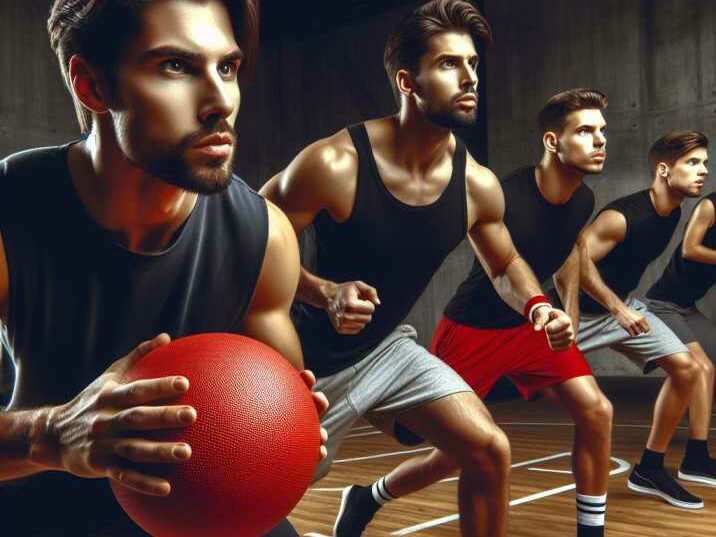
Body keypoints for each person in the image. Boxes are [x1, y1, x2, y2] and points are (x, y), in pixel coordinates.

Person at [0, 1, 326, 535]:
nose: (220, 100)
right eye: (175, 66)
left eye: (228, 67)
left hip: (193, 508)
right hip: (39, 500)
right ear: (92, 86)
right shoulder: (11, 210)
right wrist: (52, 435)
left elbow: (302, 451)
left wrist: (289, 434)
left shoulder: (265, 236)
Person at [262, 1, 575, 535]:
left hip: (387, 348)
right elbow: (251, 244)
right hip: (300, 363)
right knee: (269, 489)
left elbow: (505, 263)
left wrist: (539, 306)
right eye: (449, 64)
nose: (469, 76)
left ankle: (366, 499)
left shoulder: (476, 184)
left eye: (472, 63)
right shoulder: (335, 163)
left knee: (486, 447)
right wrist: (323, 293)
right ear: (409, 81)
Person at [340, 88, 613, 537]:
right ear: (552, 141)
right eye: (585, 131)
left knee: (597, 411)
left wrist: (568, 311)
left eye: (602, 130)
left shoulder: (582, 200)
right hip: (473, 328)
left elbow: (566, 254)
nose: (601, 139)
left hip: (531, 325)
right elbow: (502, 265)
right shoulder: (502, 196)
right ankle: (368, 496)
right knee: (456, 453)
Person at [578, 131, 711, 509]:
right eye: (693, 163)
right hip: (576, 314)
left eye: (705, 162)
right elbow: (572, 264)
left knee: (688, 370)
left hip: (619, 308)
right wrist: (618, 309)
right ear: (664, 170)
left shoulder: (674, 212)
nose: (704, 170)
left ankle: (649, 468)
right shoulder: (621, 217)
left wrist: (621, 307)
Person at [644, 189, 716, 486]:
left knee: (710, 365)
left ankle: (694, 448)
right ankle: (696, 458)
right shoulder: (710, 205)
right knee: (703, 369)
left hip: (687, 307)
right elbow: (689, 248)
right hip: (663, 304)